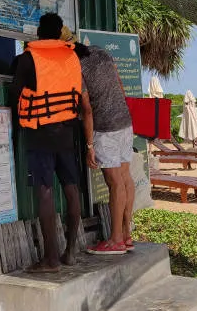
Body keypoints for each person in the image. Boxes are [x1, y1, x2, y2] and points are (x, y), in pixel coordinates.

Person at [9, 13, 92, 272]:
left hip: (40, 134)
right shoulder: (71, 57)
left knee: (44, 190)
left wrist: (13, 130)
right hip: (68, 134)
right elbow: (81, 99)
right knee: (71, 189)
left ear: (38, 32)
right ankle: (70, 252)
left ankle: (51, 259)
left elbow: (15, 98)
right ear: (59, 33)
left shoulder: (26, 59)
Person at [63, 29, 135, 255]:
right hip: (125, 121)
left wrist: (90, 146)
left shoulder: (75, 67)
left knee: (114, 183)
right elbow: (120, 86)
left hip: (106, 129)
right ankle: (125, 234)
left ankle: (114, 241)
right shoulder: (101, 53)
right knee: (125, 179)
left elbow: (87, 109)